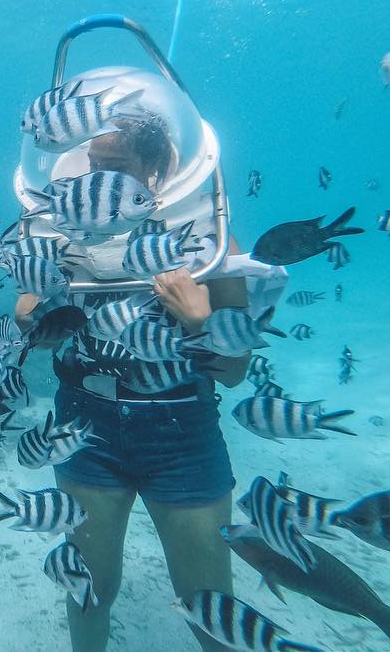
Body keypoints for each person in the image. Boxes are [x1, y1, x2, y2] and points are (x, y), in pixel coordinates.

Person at [16, 116, 251, 652]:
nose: (95, 177)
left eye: (115, 169)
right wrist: (38, 316)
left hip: (181, 433)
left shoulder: (211, 243)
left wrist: (199, 323)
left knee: (209, 604)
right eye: (94, 166)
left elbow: (235, 373)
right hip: (85, 425)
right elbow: (32, 318)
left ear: (158, 169)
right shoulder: (66, 238)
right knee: (89, 591)